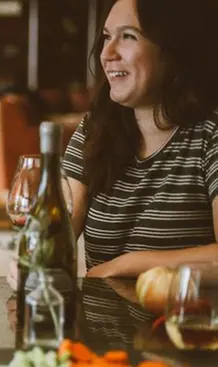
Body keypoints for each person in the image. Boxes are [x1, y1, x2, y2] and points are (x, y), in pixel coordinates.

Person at [60, 0, 218, 278]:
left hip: (185, 321)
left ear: (173, 50)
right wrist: (33, 258)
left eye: (128, 36)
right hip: (104, 322)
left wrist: (125, 265)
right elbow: (56, 236)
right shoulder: (94, 129)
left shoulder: (210, 134)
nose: (107, 53)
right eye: (107, 37)